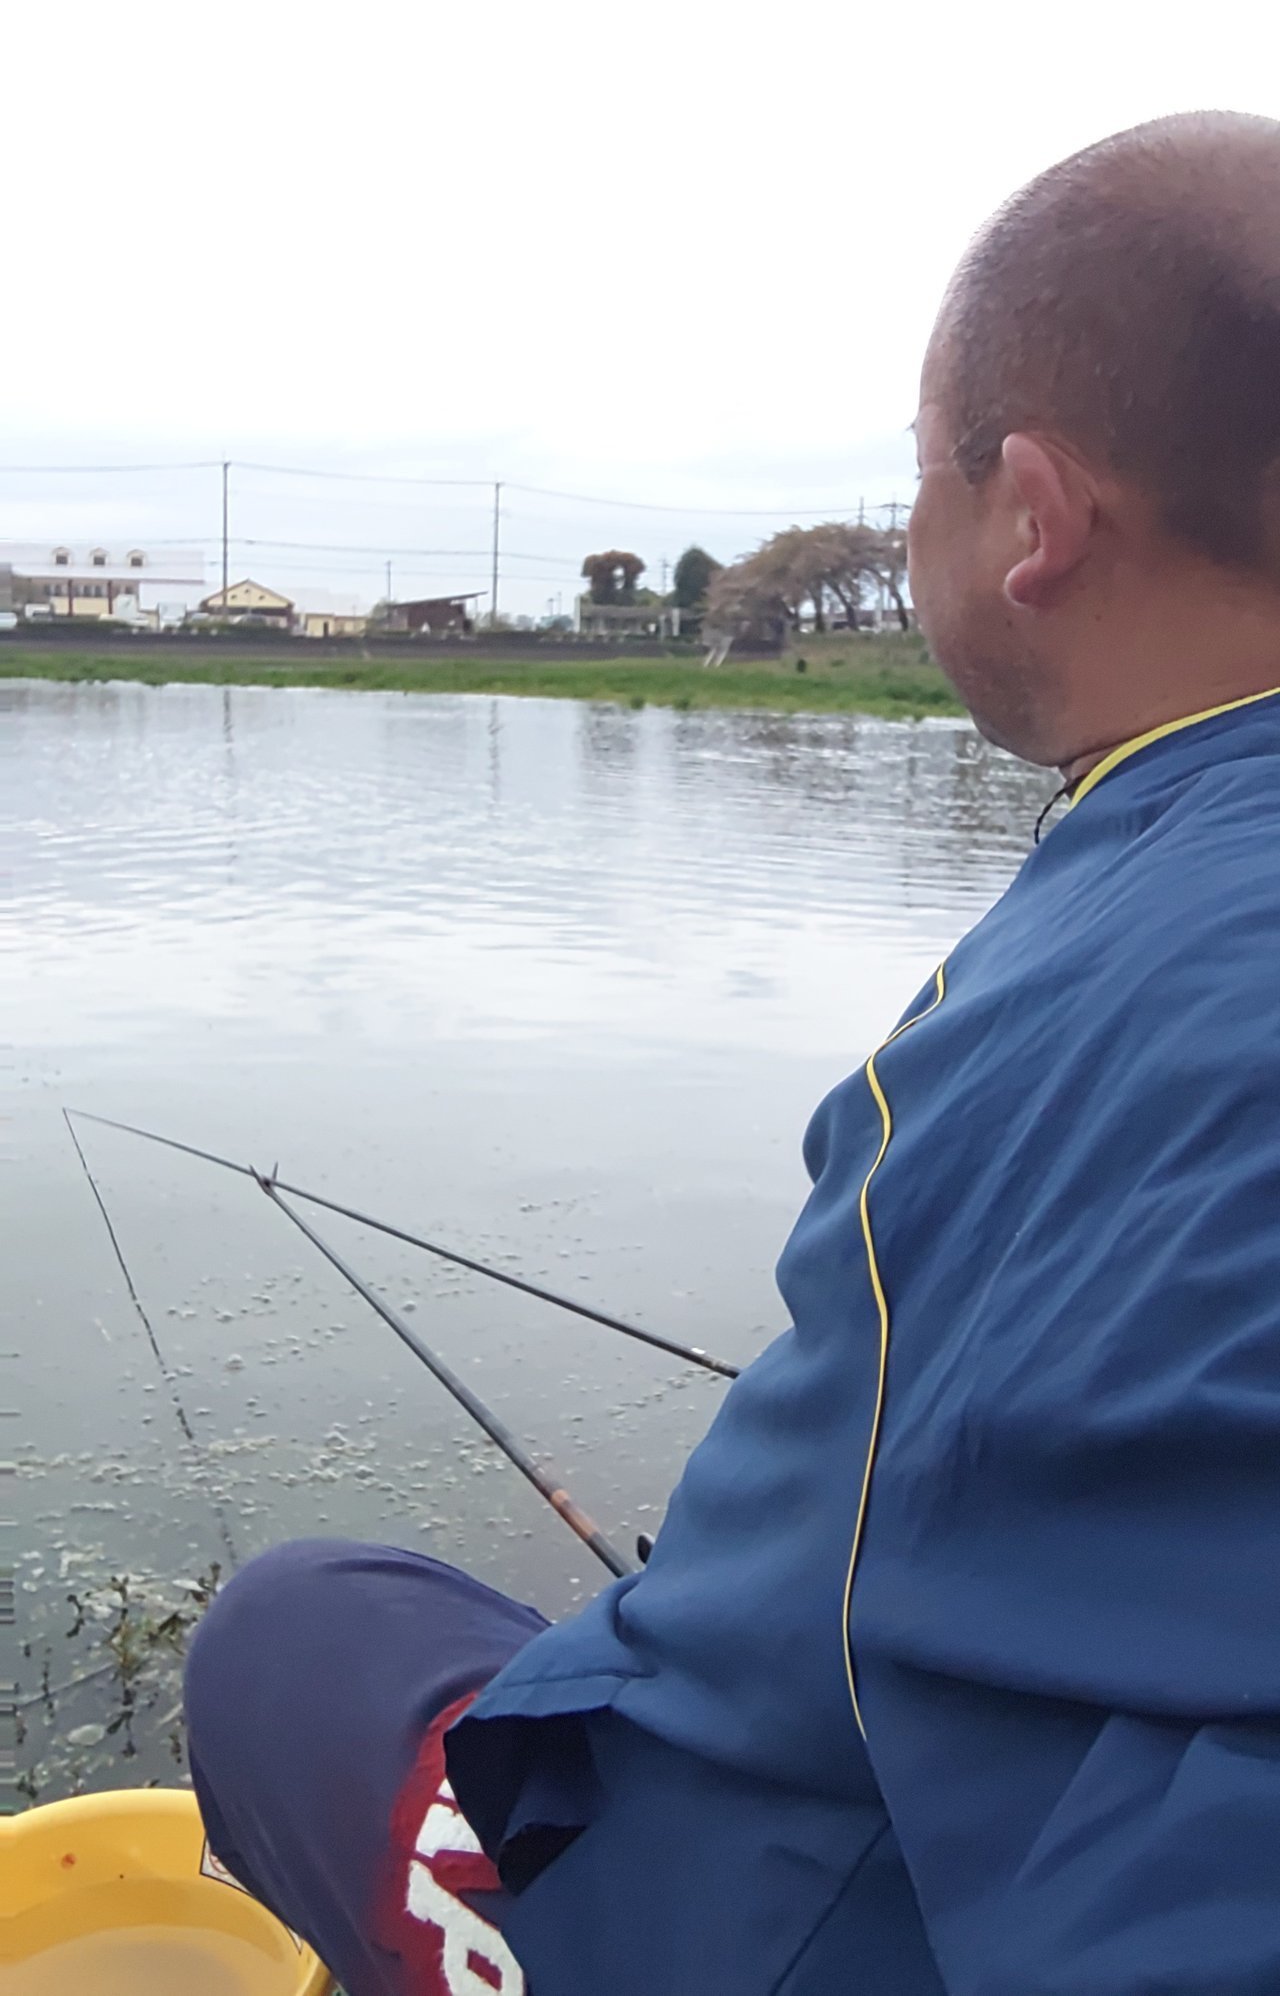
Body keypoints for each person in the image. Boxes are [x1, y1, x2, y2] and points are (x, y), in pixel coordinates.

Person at [186, 110, 1280, 1996]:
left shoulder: (1053, 1016)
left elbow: (743, 1696)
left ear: (1032, 516)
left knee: (292, 1635)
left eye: (919, 470)